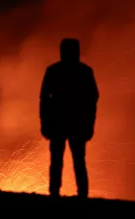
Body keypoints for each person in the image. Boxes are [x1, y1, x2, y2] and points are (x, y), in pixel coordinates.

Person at [39, 38, 99, 198]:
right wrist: (89, 124)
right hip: (73, 123)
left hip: (63, 123)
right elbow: (92, 100)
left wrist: (45, 123)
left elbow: (44, 99)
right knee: (76, 160)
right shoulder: (85, 72)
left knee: (60, 160)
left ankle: (55, 193)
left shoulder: (54, 71)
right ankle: (80, 194)